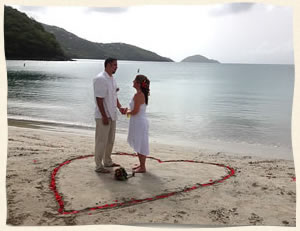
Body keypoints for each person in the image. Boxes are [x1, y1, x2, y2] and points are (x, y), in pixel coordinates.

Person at [93, 58, 127, 173]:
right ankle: (98, 166)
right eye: (114, 65)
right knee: (101, 141)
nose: (116, 67)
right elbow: (99, 99)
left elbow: (114, 96)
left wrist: (120, 107)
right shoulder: (100, 79)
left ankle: (107, 161)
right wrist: (104, 116)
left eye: (116, 65)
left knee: (110, 140)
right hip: (103, 115)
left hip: (112, 115)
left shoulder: (112, 79)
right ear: (107, 65)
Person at [127, 74, 150, 173]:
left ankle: (143, 167)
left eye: (134, 80)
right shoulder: (141, 94)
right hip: (138, 121)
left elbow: (135, 111)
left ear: (138, 84)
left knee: (140, 143)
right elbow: (136, 109)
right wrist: (128, 110)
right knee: (139, 142)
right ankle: (141, 164)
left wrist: (127, 112)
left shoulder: (138, 95)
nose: (132, 82)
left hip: (139, 122)